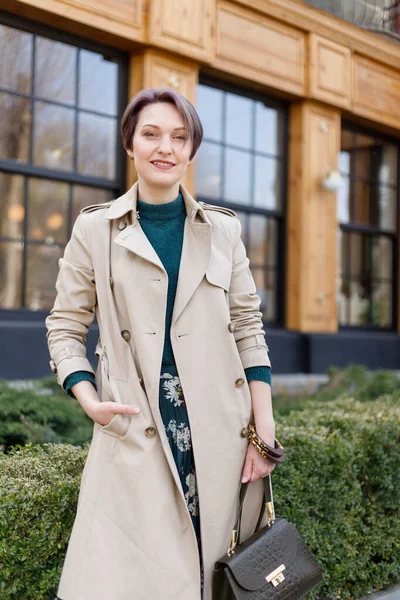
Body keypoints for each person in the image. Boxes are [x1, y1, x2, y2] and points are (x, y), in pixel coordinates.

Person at [46, 88, 276, 600]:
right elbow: (65, 324)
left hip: (221, 431)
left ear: (192, 150)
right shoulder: (95, 229)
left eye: (179, 136)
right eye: (151, 134)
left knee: (214, 574)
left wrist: (264, 430)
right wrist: (89, 400)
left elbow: (247, 326)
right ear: (130, 143)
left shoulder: (223, 231)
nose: (164, 147)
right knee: (130, 579)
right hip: (135, 424)